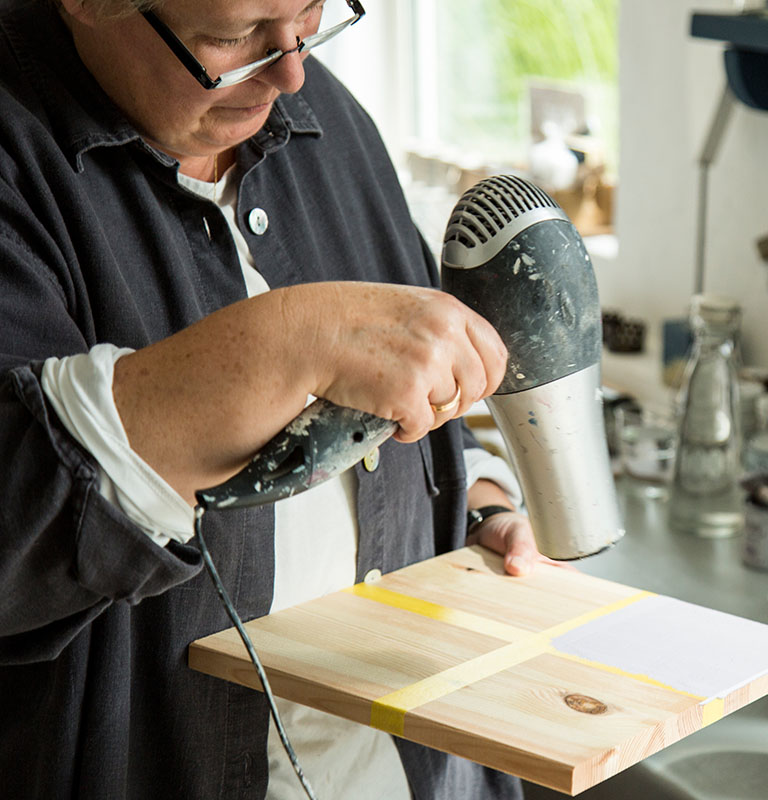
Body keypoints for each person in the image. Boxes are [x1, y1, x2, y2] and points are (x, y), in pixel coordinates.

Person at [0, 0, 556, 797]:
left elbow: (393, 397)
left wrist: (473, 504)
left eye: (310, 15)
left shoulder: (324, 112)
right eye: (230, 38)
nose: (292, 72)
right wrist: (280, 344)